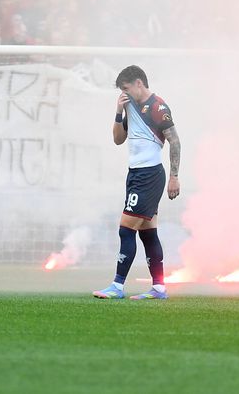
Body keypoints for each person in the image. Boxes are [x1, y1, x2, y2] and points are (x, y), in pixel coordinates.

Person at [93, 65, 182, 301]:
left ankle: (117, 286)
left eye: (126, 88)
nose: (124, 93)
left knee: (126, 229)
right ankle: (159, 288)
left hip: (149, 175)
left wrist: (174, 176)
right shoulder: (129, 105)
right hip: (134, 174)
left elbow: (174, 141)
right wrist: (118, 112)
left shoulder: (158, 107)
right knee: (148, 233)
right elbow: (118, 139)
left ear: (139, 83)